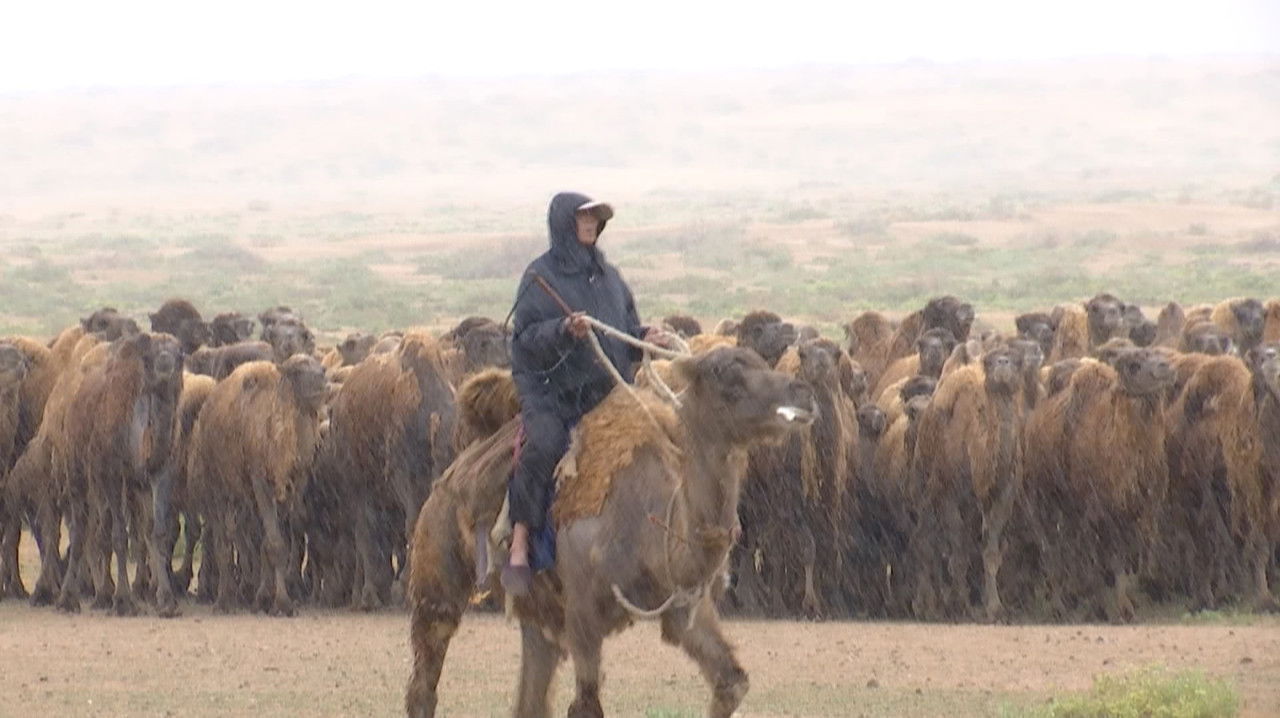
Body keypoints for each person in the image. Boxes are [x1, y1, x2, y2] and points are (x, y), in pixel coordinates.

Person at [502, 191, 669, 596]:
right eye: (583, 217)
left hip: (605, 392)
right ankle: (520, 543)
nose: (591, 223)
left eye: (595, 217)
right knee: (544, 444)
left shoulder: (609, 278)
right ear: (564, 223)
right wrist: (563, 331)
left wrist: (644, 338)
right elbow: (522, 341)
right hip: (551, 392)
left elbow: (624, 334)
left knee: (657, 435)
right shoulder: (539, 277)